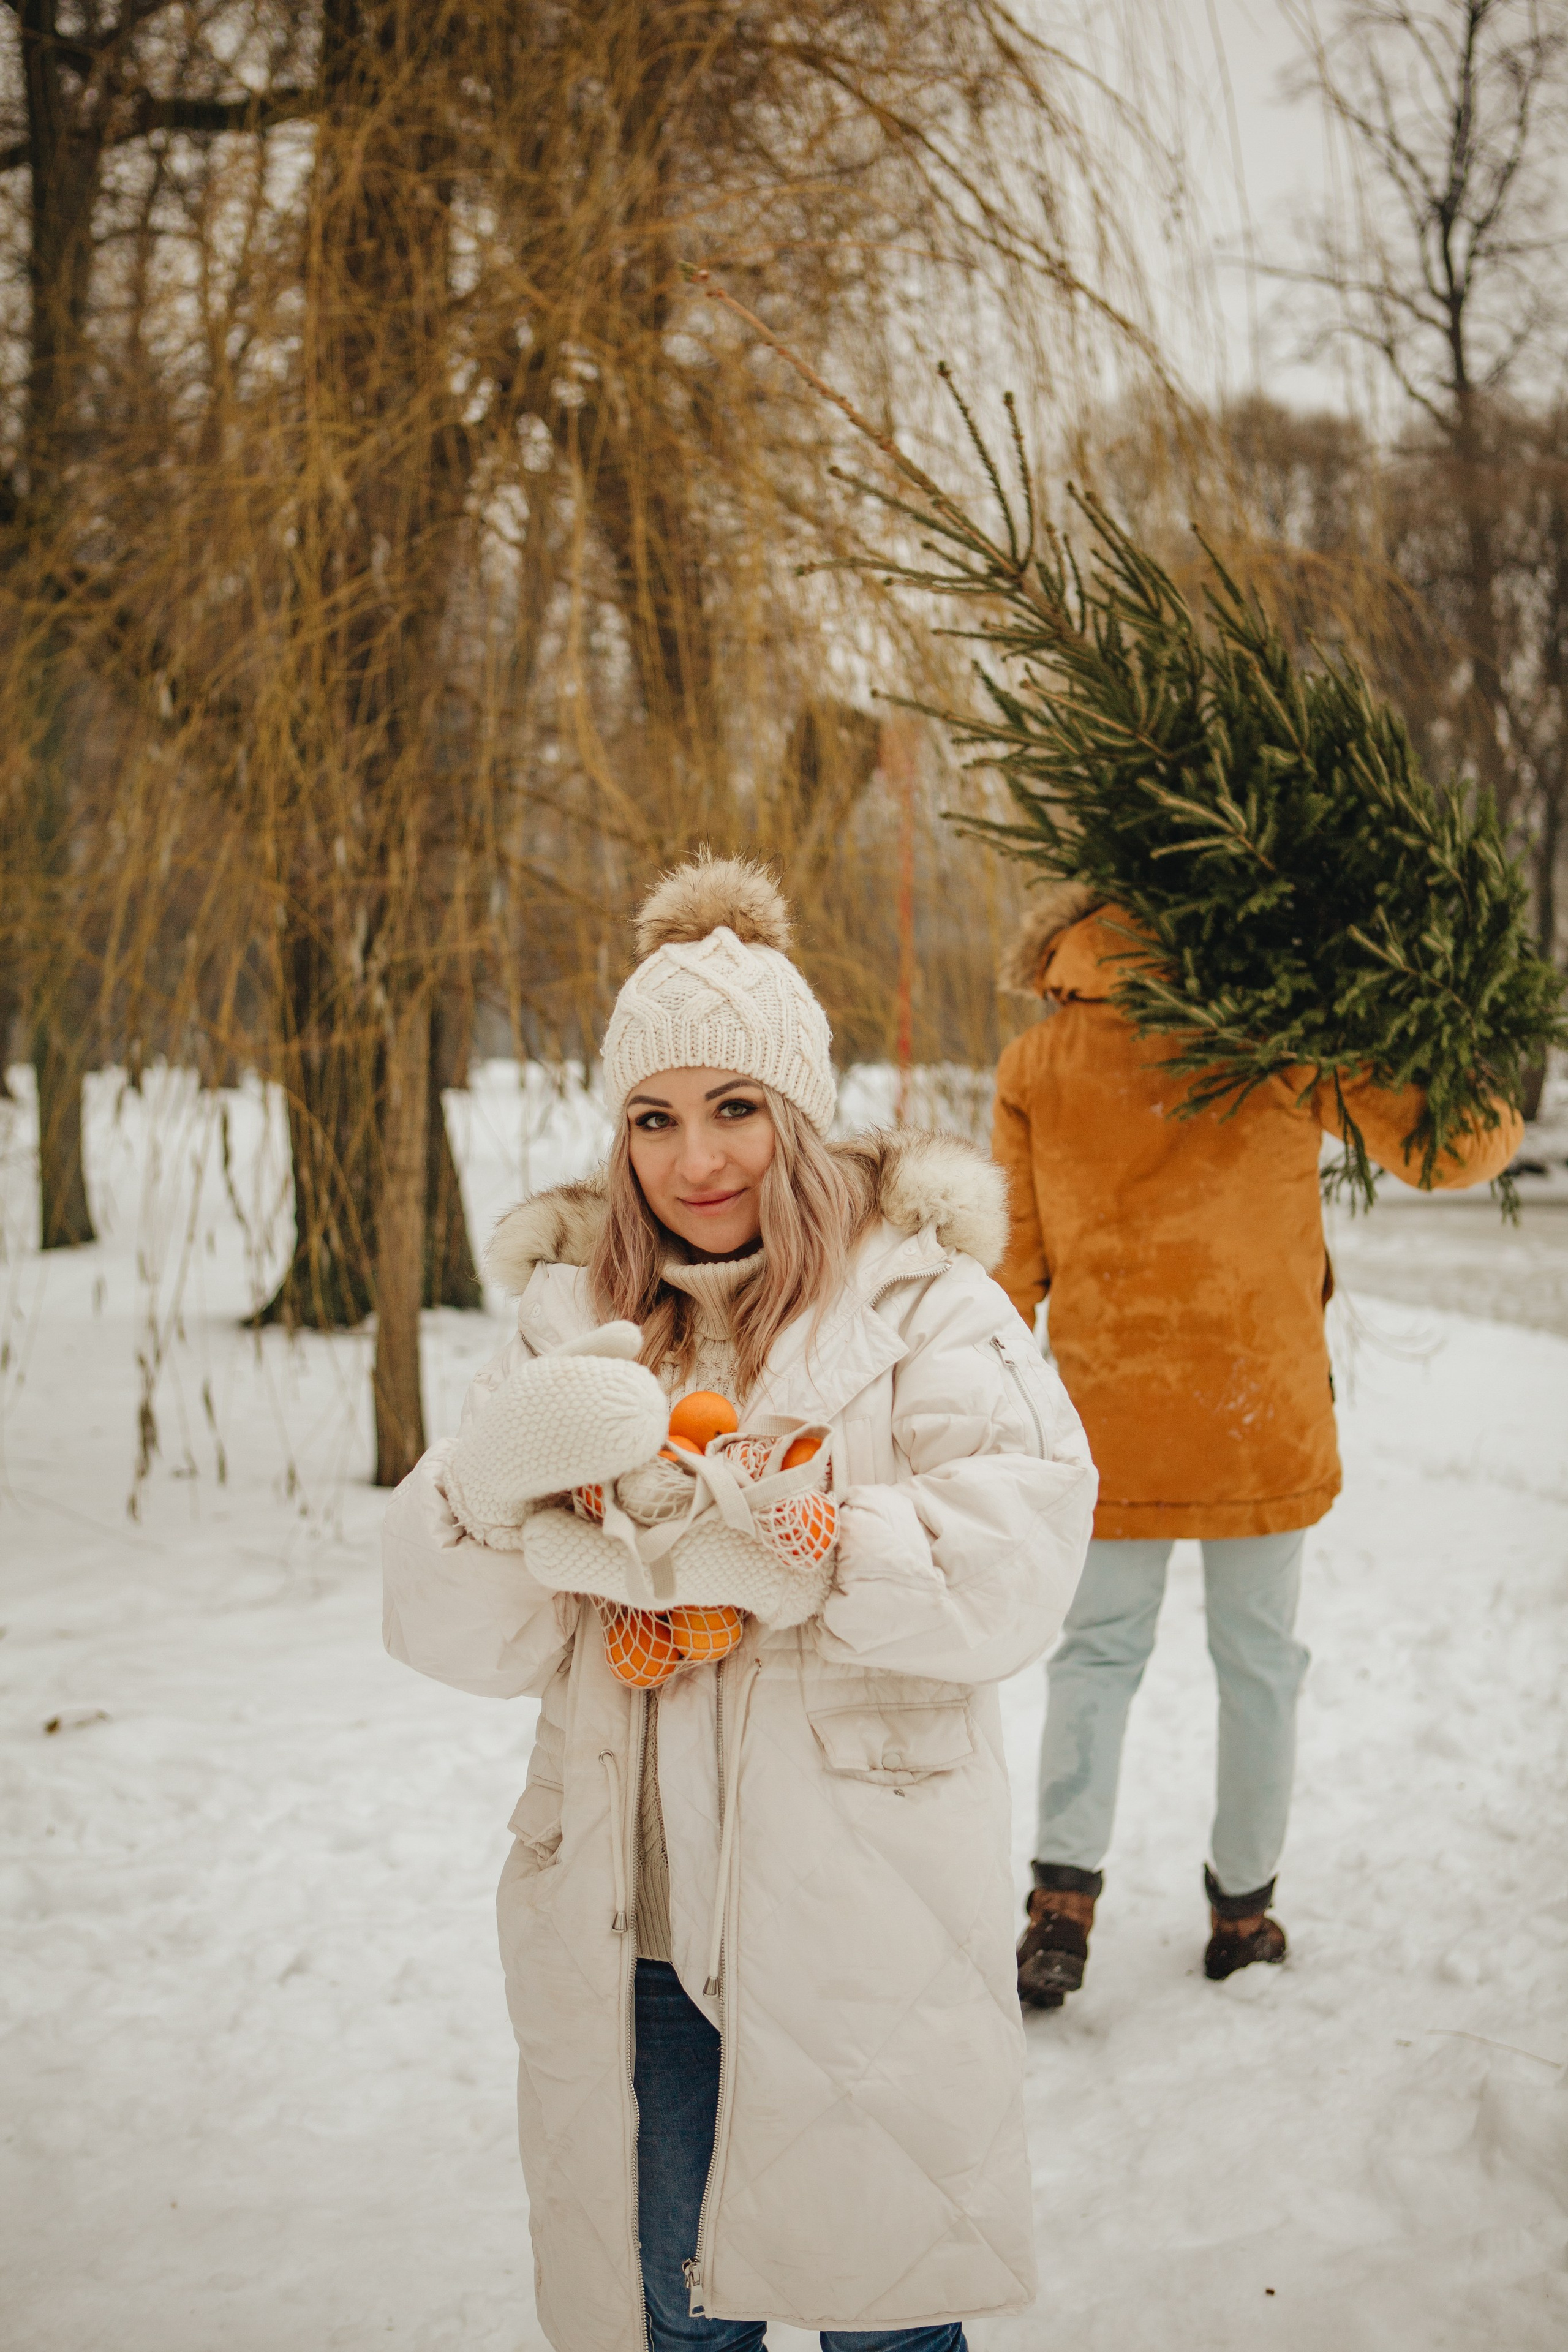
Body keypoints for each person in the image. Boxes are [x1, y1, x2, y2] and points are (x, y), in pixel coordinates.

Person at [382, 854, 1097, 2352]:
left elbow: (1022, 1545)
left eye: (733, 1110)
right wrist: (490, 1500)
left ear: (798, 1111)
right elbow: (464, 1633)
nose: (692, 1159)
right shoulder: (570, 1322)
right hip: (629, 1920)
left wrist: (814, 1545)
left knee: (880, 2310)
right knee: (671, 2317)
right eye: (653, 1117)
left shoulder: (920, 1305)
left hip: (858, 1912)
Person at [990, 884, 1525, 2008]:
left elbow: (1009, 1268)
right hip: (1255, 1417)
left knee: (1095, 1657)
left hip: (1111, 1420)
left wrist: (968, 1402)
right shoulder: (1273, 1038)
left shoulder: (1038, 1061)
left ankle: (1061, 1909)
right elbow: (1451, 1145)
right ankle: (1243, 1916)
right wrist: (1482, 1047)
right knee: (1260, 1668)